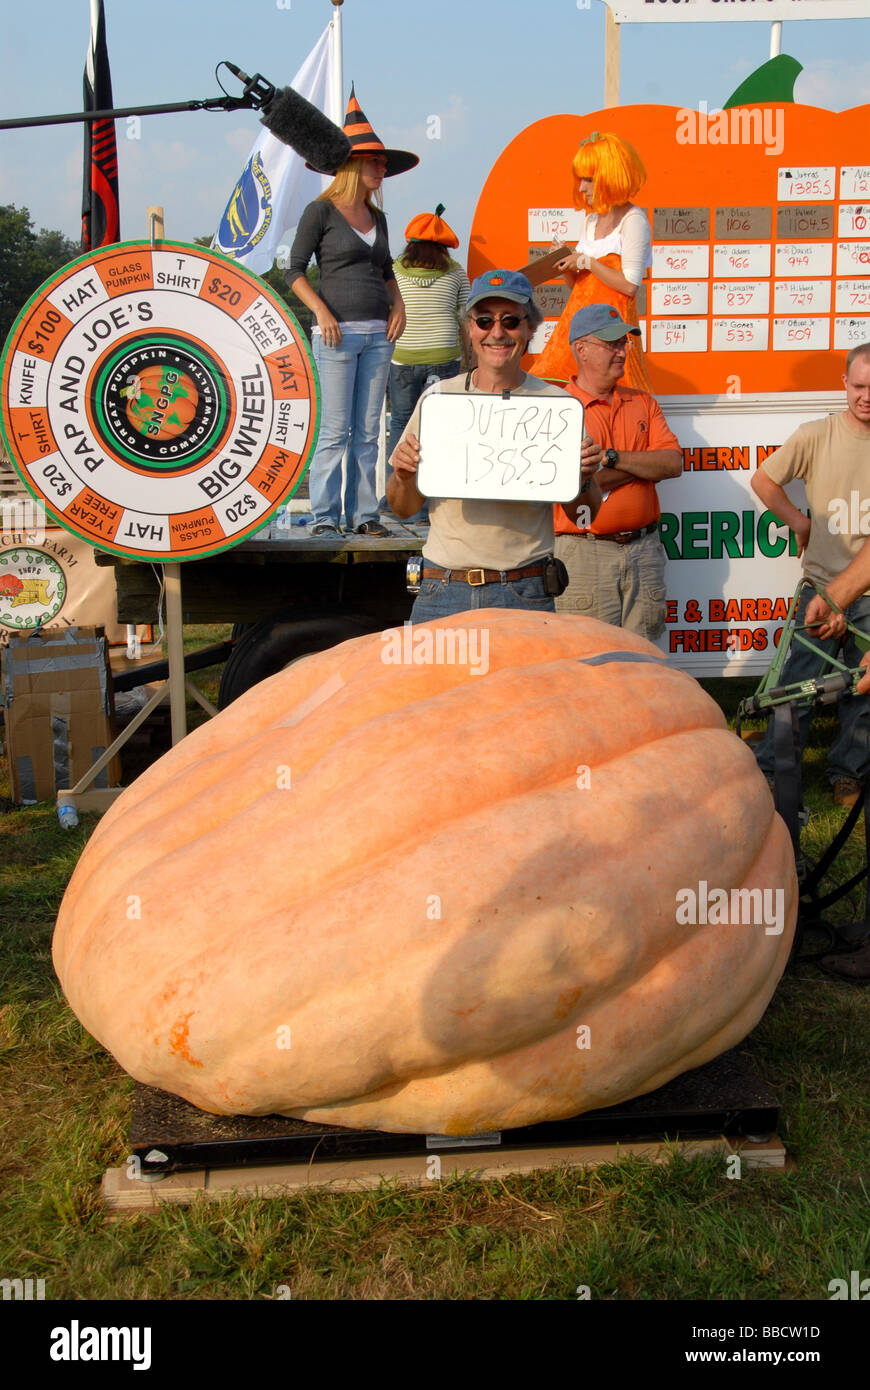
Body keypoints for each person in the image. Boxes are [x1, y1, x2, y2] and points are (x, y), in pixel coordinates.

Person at [386, 269, 603, 622]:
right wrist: (403, 475)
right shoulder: (438, 399)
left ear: (530, 328)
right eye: (484, 321)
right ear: (470, 329)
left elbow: (586, 514)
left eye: (511, 321)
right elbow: (403, 507)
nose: (497, 333)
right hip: (443, 587)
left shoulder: (557, 405)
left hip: (526, 591)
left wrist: (585, 477)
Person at [285, 88, 418, 538]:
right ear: (354, 164)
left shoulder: (378, 218)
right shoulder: (319, 211)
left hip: (379, 335)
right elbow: (294, 271)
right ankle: (325, 515)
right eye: (377, 162)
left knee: (367, 432)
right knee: (334, 430)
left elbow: (385, 269)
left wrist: (398, 303)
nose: (383, 169)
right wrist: (321, 311)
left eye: (383, 163)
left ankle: (363, 514)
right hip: (336, 335)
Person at [751, 342, 870, 808]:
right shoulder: (815, 435)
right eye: (858, 386)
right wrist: (798, 521)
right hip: (821, 588)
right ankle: (774, 770)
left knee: (862, 692)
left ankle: (848, 773)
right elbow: (765, 479)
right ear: (843, 383)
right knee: (796, 687)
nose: (866, 396)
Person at [552, 303, 681, 642]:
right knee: (590, 666)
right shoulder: (558, 408)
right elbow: (575, 485)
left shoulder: (643, 402)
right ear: (581, 349)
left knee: (644, 663)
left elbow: (672, 464)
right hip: (584, 553)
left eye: (624, 343)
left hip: (644, 549)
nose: (622, 351)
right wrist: (642, 467)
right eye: (611, 344)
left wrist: (609, 458)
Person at [531, 131, 652, 392]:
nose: (581, 187)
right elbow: (580, 286)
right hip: (576, 331)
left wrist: (586, 261)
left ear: (610, 179)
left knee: (615, 400)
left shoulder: (634, 220)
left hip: (611, 334)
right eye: (580, 179)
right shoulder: (590, 221)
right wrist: (566, 263)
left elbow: (630, 286)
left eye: (588, 179)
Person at [383, 205, 471, 525]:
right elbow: (466, 320)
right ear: (444, 248)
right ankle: (429, 503)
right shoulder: (457, 273)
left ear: (410, 244)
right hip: (444, 360)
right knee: (437, 430)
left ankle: (395, 498)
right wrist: (471, 361)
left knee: (402, 425)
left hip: (403, 358)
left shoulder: (392, 271)